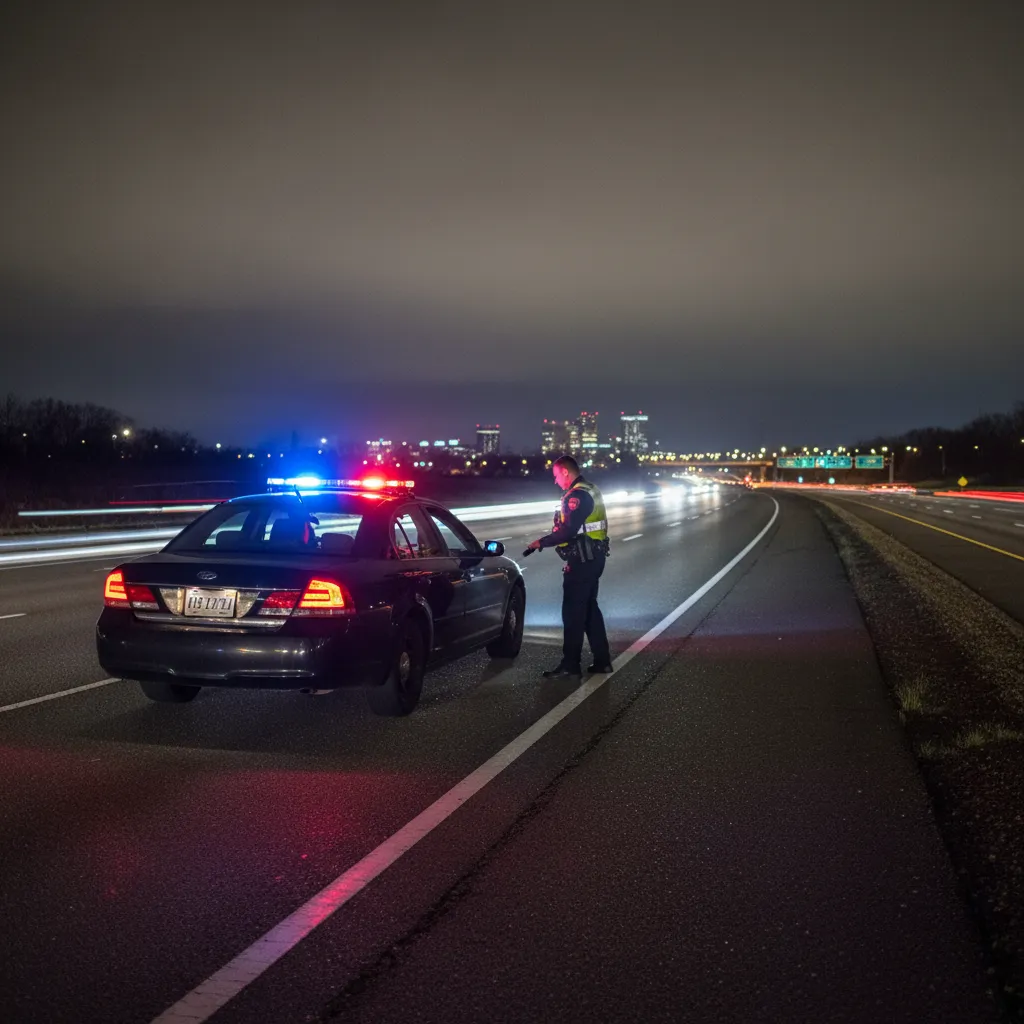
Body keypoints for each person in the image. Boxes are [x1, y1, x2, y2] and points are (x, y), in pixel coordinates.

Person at [526, 455, 613, 680]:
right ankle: (602, 661)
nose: (556, 481)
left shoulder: (577, 495)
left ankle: (571, 665)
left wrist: (541, 542)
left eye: (556, 475)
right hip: (594, 557)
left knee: (573, 612)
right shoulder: (590, 489)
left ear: (565, 472)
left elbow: (568, 531)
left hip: (583, 560)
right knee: (589, 609)